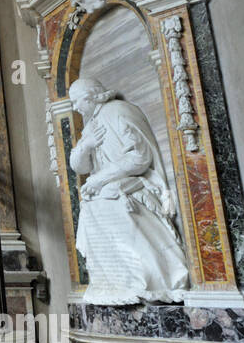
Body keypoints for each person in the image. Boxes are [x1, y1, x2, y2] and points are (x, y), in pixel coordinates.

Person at [67, 76, 189, 304]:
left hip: (138, 181)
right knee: (91, 205)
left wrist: (99, 179)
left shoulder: (118, 112)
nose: (75, 108)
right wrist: (87, 144)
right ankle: (119, 280)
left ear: (90, 97)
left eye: (76, 101)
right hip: (111, 183)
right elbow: (78, 166)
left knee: (105, 199)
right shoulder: (92, 124)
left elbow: (140, 158)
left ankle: (151, 276)